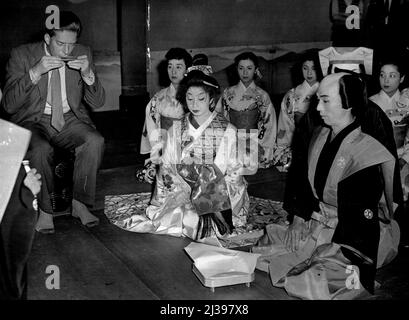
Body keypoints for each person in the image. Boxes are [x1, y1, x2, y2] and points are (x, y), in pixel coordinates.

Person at [253, 72, 398, 300]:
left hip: (353, 236)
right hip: (320, 223)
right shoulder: (321, 135)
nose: (318, 107)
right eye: (318, 100)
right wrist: (301, 219)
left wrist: (325, 249)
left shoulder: (365, 153)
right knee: (268, 244)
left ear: (348, 103)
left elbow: (360, 223)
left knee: (314, 278)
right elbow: (303, 182)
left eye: (325, 100)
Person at [117, 70, 257, 239]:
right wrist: (181, 189)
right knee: (182, 217)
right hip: (182, 188)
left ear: (211, 99)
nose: (194, 104)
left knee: (199, 222)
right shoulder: (177, 128)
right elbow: (167, 167)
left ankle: (212, 219)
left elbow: (234, 172)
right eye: (190, 98)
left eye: (201, 98)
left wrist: (205, 182)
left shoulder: (227, 130)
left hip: (218, 192)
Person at [0, 11, 105, 234]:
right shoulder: (22, 55)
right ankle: (46, 211)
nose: (67, 50)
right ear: (47, 39)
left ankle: (80, 203)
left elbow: (98, 101)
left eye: (71, 44)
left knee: (95, 141)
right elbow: (9, 105)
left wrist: (88, 74)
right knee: (40, 149)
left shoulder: (83, 52)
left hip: (69, 118)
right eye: (60, 44)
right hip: (32, 119)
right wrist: (35, 71)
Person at [137, 48, 192, 183]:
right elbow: (151, 128)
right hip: (165, 149)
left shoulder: (195, 96)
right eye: (170, 67)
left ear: (187, 70)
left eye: (179, 67)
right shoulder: (158, 98)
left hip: (189, 150)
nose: (173, 72)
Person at [215, 52, 277, 168]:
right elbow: (220, 119)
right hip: (232, 142)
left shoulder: (262, 95)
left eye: (249, 68)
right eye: (241, 68)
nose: (245, 72)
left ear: (255, 70)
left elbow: (269, 123)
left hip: (255, 142)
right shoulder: (228, 93)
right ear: (236, 69)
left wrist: (261, 145)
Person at [274, 50, 323, 168]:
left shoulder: (326, 92)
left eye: (314, 68)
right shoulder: (291, 96)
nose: (309, 73)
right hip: (299, 143)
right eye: (305, 68)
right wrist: (284, 146)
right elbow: (285, 125)